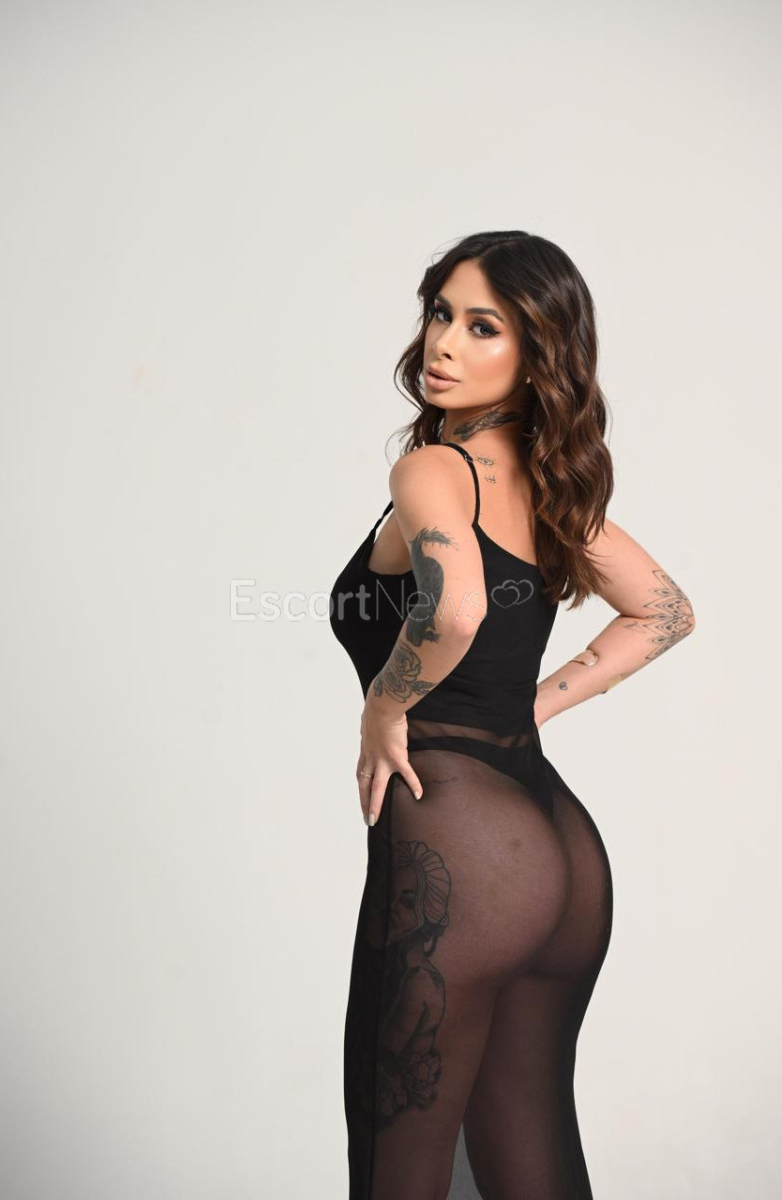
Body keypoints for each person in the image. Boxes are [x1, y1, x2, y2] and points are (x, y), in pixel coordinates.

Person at [328, 230, 695, 1199]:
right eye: (439, 313)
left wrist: (385, 703)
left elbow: (455, 609)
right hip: (564, 856)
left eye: (482, 326)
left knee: (397, 1169)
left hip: (464, 850)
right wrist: (528, 707)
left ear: (538, 355)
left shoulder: (431, 470)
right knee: (531, 1152)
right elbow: (664, 613)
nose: (444, 343)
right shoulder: (552, 489)